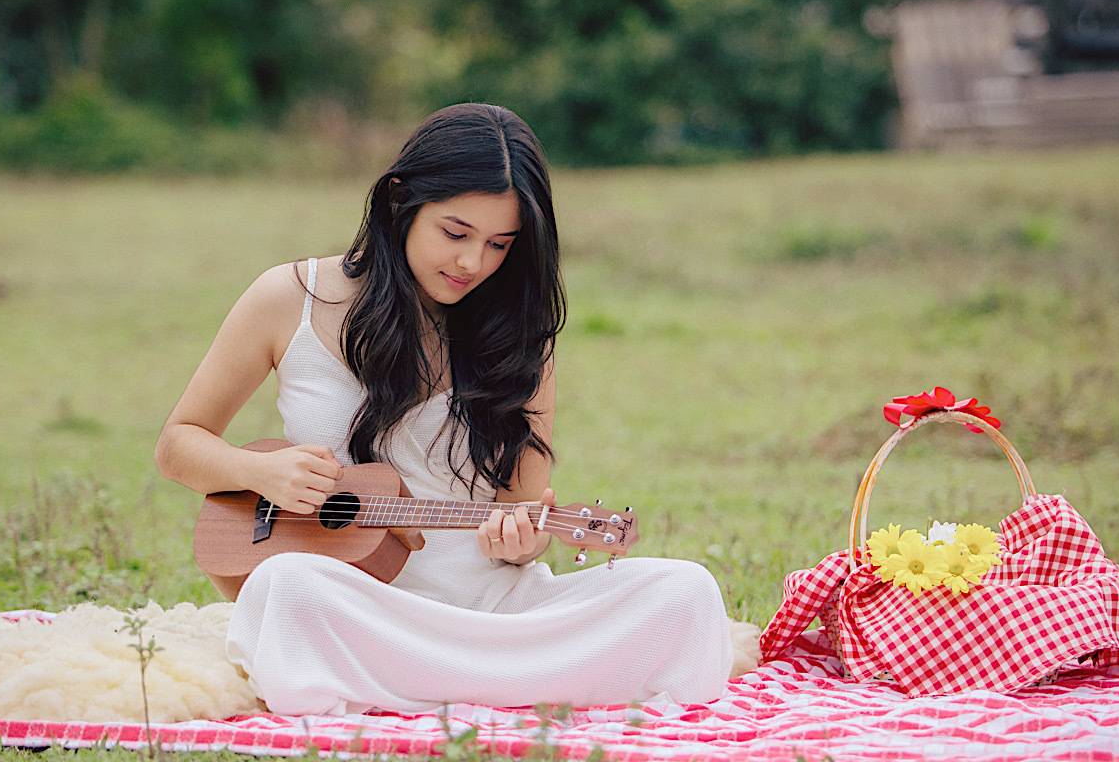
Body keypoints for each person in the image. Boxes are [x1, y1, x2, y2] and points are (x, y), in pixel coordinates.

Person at [155, 103, 733, 716]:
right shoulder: (289, 299)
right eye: (455, 233)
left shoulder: (520, 340)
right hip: (359, 608)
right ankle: (507, 691)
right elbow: (179, 443)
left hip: (498, 617)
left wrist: (519, 542)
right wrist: (259, 473)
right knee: (282, 587)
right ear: (401, 201)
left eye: (499, 245)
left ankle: (429, 688)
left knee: (687, 592)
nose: (472, 263)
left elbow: (521, 517)